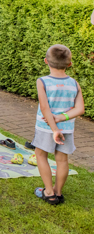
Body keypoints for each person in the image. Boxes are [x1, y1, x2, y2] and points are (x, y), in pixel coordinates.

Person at [33, 44, 85, 205]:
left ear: (46, 61)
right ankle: (58, 192)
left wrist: (54, 128)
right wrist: (61, 118)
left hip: (46, 128)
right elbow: (80, 109)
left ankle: (49, 192)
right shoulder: (74, 83)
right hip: (67, 129)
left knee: (40, 155)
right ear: (69, 64)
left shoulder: (42, 82)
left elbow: (44, 108)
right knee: (62, 160)